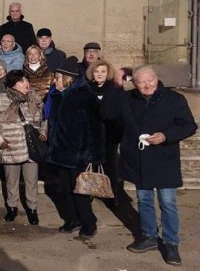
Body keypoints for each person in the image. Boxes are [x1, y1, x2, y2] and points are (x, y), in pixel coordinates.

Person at [102, 66, 197, 266]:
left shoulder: (173, 99)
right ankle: (149, 236)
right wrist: (117, 82)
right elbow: (107, 112)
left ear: (156, 78)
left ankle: (171, 243)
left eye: (150, 80)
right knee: (144, 200)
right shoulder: (126, 98)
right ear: (133, 83)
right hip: (138, 159)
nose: (147, 85)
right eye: (141, 82)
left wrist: (166, 136)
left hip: (164, 159)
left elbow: (189, 125)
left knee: (167, 203)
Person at [45, 56, 104, 239]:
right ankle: (72, 219)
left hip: (79, 155)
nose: (55, 80)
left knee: (80, 192)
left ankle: (89, 223)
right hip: (60, 153)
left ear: (67, 78)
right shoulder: (56, 96)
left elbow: (96, 128)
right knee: (64, 190)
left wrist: (94, 156)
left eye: (58, 77)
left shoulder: (85, 97)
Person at [0, 70, 45, 225]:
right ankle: (12, 208)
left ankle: (32, 209)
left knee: (31, 180)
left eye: (27, 80)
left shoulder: (34, 97)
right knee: (11, 181)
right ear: (13, 84)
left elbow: (44, 116)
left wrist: (43, 132)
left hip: (31, 146)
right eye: (22, 81)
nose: (27, 84)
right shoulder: (1, 99)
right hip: (10, 147)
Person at [85, 59, 124, 205]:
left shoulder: (114, 90)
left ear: (108, 74)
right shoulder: (86, 89)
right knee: (89, 165)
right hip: (90, 135)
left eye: (103, 71)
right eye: (96, 71)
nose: (99, 74)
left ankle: (111, 195)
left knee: (111, 166)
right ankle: (88, 192)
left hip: (110, 135)